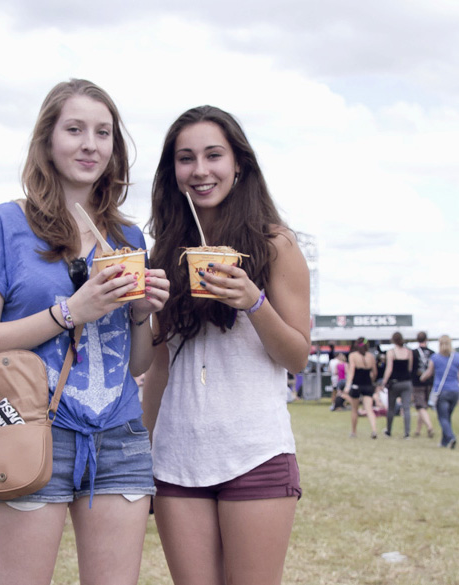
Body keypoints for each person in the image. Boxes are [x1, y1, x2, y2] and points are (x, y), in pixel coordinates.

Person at [0, 79, 170, 585]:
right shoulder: (6, 224)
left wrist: (142, 314)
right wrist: (70, 312)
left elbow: (136, 364)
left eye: (103, 132)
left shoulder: (128, 237)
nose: (90, 144)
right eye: (74, 129)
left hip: (119, 433)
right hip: (29, 426)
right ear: (48, 141)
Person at [144, 105, 310, 585]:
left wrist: (254, 302)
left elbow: (296, 357)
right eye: (185, 158)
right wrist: (143, 446)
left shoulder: (275, 244)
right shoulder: (163, 253)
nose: (200, 170)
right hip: (177, 460)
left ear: (239, 163)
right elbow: (158, 369)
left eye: (213, 155)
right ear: (172, 172)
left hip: (255, 452)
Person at [420, 334, 459, 448]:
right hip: (455, 390)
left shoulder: (435, 358)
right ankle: (444, 441)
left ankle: (451, 437)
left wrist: (422, 377)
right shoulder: (458, 357)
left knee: (442, 417)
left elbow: (429, 372)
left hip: (441, 391)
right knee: (447, 417)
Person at [379, 332, 413, 439]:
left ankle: (389, 430)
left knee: (391, 408)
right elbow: (410, 368)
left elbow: (389, 368)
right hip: (406, 382)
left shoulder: (391, 352)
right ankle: (407, 432)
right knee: (406, 408)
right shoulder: (408, 352)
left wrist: (384, 382)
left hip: (394, 383)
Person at [344, 338, 379, 439]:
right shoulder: (371, 357)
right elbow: (374, 373)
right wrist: (371, 380)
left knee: (354, 409)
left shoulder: (353, 356)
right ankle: (374, 430)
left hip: (356, 385)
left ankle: (354, 432)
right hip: (368, 385)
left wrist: (347, 385)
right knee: (369, 409)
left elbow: (351, 372)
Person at [411, 331, 435, 438]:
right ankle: (418, 430)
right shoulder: (432, 353)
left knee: (420, 406)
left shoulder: (414, 353)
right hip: (429, 382)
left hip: (417, 382)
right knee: (424, 405)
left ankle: (429, 426)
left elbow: (410, 368)